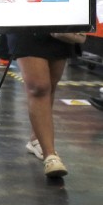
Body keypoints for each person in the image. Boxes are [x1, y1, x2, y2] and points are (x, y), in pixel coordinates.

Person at [8, 33, 75, 178]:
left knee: (50, 84)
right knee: (39, 87)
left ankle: (36, 139)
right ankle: (50, 155)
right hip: (27, 24)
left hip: (59, 22)